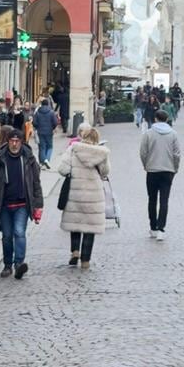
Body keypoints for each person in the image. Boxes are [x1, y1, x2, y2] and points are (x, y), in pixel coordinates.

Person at [0, 124, 43, 280]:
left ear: (22, 142)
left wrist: (39, 205)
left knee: (19, 232)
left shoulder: (29, 159)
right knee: (7, 236)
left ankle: (19, 264)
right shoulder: (0, 158)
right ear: (8, 141)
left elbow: (36, 183)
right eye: (12, 141)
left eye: (17, 141)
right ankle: (7, 265)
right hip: (4, 204)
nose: (15, 143)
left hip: (22, 204)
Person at [61, 123, 113, 266]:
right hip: (93, 194)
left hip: (75, 191)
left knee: (76, 222)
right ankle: (85, 260)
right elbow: (105, 171)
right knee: (90, 227)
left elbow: (62, 169)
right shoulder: (102, 152)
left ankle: (75, 251)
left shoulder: (73, 149)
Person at [139, 104, 180, 237]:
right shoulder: (173, 134)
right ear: (167, 119)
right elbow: (177, 154)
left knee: (152, 199)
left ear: (156, 119)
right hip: (168, 170)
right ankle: (161, 228)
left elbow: (143, 152)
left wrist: (146, 165)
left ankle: (153, 227)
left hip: (152, 169)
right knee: (164, 200)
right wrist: (175, 167)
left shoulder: (148, 133)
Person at [34, 94, 57, 168]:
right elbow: (55, 122)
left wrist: (37, 127)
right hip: (49, 132)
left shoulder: (38, 112)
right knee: (50, 146)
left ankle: (43, 161)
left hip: (40, 131)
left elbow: (34, 122)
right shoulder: (51, 112)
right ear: (48, 104)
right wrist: (52, 128)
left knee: (42, 147)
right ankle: (47, 159)